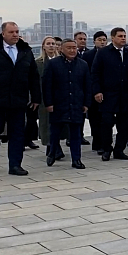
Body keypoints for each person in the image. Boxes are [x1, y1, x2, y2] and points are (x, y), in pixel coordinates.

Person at [90, 27, 128, 161]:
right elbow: (95, 73)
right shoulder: (103, 53)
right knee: (106, 123)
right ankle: (107, 149)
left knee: (124, 125)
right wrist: (97, 91)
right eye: (120, 36)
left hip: (126, 95)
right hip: (108, 95)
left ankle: (119, 150)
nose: (123, 38)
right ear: (112, 38)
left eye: (124, 36)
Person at [0, 22, 41, 175]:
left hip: (18, 100)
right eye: (11, 32)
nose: (15, 35)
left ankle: (15, 165)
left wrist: (36, 97)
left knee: (17, 134)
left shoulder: (25, 51)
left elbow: (33, 76)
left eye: (17, 31)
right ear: (3, 34)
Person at [43, 39, 91, 169]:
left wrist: (86, 103)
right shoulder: (53, 64)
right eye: (68, 48)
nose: (72, 50)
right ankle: (52, 152)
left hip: (76, 104)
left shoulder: (83, 64)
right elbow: (47, 86)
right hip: (59, 104)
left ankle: (76, 159)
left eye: (74, 48)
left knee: (76, 134)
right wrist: (49, 103)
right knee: (55, 132)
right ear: (62, 49)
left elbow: (87, 86)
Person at [36, 36, 68, 160]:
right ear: (43, 46)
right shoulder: (38, 62)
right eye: (48, 43)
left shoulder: (62, 61)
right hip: (44, 98)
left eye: (53, 43)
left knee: (59, 124)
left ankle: (55, 147)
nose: (51, 46)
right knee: (46, 123)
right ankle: (52, 148)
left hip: (60, 98)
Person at [83, 31, 107, 153]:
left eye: (104, 40)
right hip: (92, 92)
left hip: (107, 92)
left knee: (105, 120)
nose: (102, 42)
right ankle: (96, 142)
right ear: (94, 42)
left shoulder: (110, 54)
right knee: (94, 119)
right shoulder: (87, 55)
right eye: (99, 40)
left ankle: (103, 144)